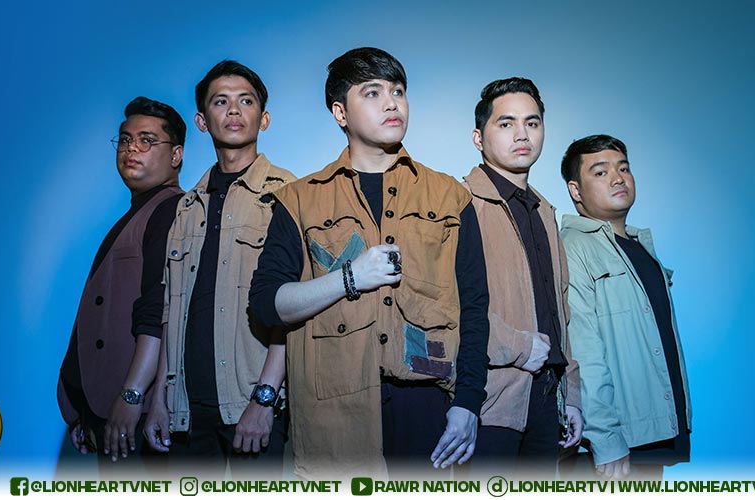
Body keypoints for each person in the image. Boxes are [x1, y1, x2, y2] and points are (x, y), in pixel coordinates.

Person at [249, 47, 490, 479]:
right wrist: (350, 277)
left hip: (426, 401)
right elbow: (267, 305)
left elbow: (474, 306)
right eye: (373, 92)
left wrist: (468, 403)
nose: (392, 103)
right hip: (333, 411)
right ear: (340, 112)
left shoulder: (450, 196)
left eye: (398, 91)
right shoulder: (298, 200)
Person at [138, 61, 296, 478]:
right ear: (202, 121)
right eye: (221, 102)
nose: (234, 110)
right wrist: (160, 400)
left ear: (264, 118)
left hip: (252, 402)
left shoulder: (287, 195)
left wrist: (264, 398)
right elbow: (171, 309)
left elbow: (292, 310)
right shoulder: (186, 208)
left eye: (246, 101)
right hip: (187, 411)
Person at [462, 78, 583, 478]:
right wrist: (516, 346)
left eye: (532, 123)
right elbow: (446, 305)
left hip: (548, 399)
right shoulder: (460, 204)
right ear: (479, 138)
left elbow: (560, 310)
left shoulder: (545, 211)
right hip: (489, 400)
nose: (522, 134)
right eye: (506, 123)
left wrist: (572, 394)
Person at [57, 96, 186, 469]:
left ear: (176, 155)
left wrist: (132, 396)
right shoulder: (135, 214)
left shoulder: (170, 211)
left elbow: (158, 310)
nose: (132, 149)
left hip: (135, 414)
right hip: (102, 411)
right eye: (126, 139)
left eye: (147, 140)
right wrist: (82, 407)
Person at [559, 134, 691, 480]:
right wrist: (604, 437)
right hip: (611, 447)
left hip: (650, 434)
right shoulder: (573, 247)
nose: (618, 178)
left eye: (624, 168)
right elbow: (583, 350)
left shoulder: (639, 247)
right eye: (601, 172)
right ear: (575, 190)